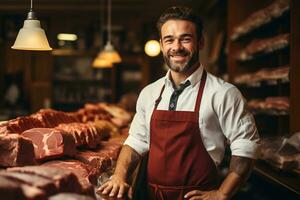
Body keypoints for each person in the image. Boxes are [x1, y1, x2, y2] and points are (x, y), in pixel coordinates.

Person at [98, 6, 259, 200]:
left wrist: (222, 194)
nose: (176, 47)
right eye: (169, 40)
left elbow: (246, 147)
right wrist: (119, 175)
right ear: (161, 44)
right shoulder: (150, 93)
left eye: (185, 39)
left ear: (200, 42)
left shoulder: (224, 93)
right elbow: (136, 142)